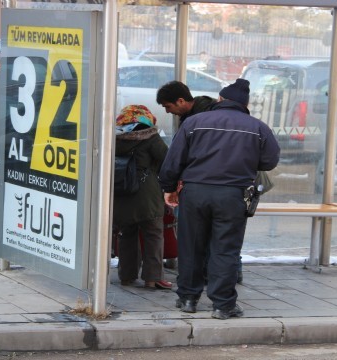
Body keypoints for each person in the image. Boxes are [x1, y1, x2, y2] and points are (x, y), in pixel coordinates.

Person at [158, 79, 280, 320]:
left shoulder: (193, 122)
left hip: (194, 193)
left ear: (221, 100)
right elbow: (269, 161)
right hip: (233, 195)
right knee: (225, 249)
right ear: (245, 104)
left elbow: (173, 160)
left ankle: (188, 299)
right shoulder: (258, 127)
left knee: (191, 245)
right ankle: (223, 305)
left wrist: (169, 188)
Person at [113, 105, 172, 290]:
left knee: (126, 234)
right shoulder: (151, 138)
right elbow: (167, 161)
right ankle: (153, 278)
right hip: (147, 193)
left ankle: (126, 275)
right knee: (153, 234)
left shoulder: (115, 139)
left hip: (122, 192)